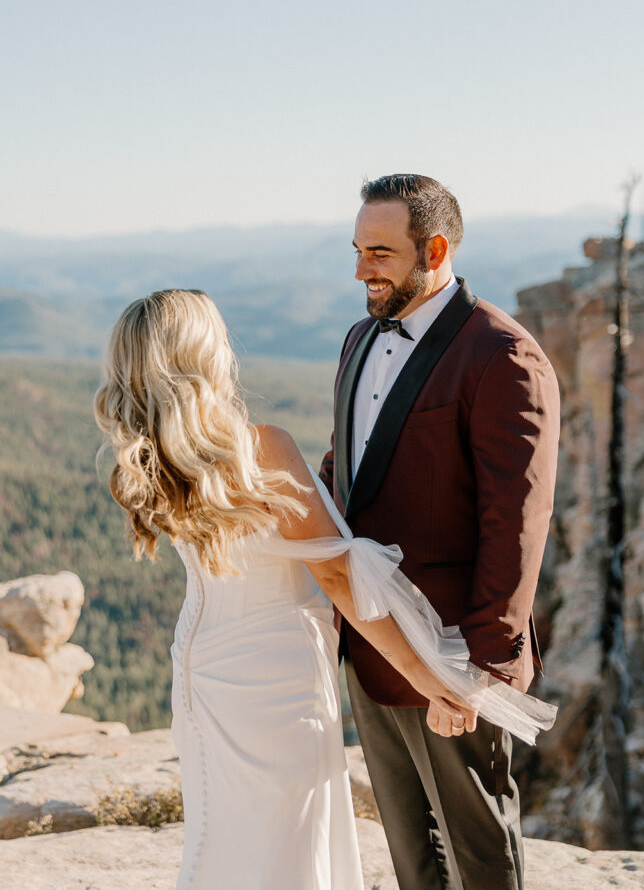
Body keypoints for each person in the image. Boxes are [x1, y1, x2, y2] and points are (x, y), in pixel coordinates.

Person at [93, 288, 482, 890]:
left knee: (224, 840)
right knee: (287, 849)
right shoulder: (259, 449)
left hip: (203, 668)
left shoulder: (157, 458)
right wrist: (430, 677)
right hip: (275, 678)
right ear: (204, 353)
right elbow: (336, 575)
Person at [320, 174, 561, 890]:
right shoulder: (358, 337)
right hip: (369, 638)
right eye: (358, 249)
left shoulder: (501, 356)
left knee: (477, 846)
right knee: (408, 846)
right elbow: (346, 466)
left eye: (380, 253)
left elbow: (515, 523)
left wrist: (477, 670)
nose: (361, 268)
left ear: (434, 248)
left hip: (451, 653)